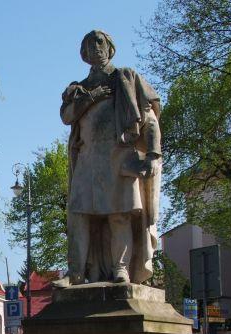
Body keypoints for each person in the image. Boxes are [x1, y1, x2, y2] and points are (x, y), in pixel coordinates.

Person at [57, 29, 161, 286]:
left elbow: (149, 120)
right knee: (79, 215)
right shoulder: (79, 89)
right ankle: (76, 272)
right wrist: (91, 98)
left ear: (110, 48)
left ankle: (121, 270)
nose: (95, 49)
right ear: (83, 53)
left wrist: (152, 154)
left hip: (119, 157)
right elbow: (67, 116)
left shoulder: (125, 79)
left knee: (120, 216)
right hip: (88, 159)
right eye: (89, 45)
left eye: (100, 43)